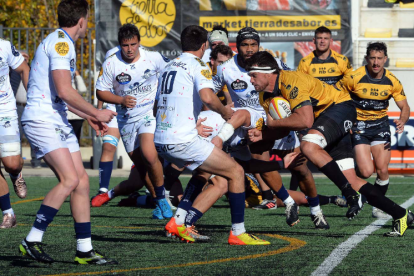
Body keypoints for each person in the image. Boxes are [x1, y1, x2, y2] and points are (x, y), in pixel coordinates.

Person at [245, 51, 414, 237]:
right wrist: (263, 134)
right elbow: (284, 129)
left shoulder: (291, 81)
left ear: (268, 72)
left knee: (309, 146)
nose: (250, 80)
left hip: (339, 108)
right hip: (325, 122)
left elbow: (305, 121)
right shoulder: (264, 96)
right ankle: (401, 214)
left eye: (253, 75)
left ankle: (349, 194)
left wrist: (269, 126)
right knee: (352, 179)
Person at [19, 0, 117, 264]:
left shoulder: (60, 41)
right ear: (82, 20)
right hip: (43, 120)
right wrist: (96, 113)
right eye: (88, 19)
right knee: (69, 180)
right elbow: (64, 90)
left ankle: (84, 249)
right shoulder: (62, 43)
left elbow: (60, 96)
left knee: (82, 182)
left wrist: (88, 116)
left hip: (56, 119)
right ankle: (32, 239)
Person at [155, 25, 269, 245]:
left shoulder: (169, 66)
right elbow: (208, 96)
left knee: (212, 175)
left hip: (161, 139)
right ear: (204, 45)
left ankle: (178, 221)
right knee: (235, 171)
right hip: (182, 140)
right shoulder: (198, 65)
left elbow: (158, 104)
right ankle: (238, 233)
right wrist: (226, 111)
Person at [213, 27, 328, 229]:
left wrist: (294, 116)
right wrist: (221, 109)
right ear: (237, 47)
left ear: (258, 45)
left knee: (300, 168)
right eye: (245, 45)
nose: (249, 49)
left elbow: (289, 82)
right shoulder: (225, 68)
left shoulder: (270, 63)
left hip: (277, 117)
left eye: (253, 45)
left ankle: (316, 210)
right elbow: (209, 92)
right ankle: (288, 202)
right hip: (253, 124)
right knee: (260, 163)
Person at [95, 23, 172, 220]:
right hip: (126, 119)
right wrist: (120, 100)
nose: (129, 49)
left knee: (148, 153)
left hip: (149, 114)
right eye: (125, 45)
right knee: (141, 163)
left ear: (139, 43)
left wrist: (162, 102)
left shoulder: (153, 58)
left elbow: (171, 74)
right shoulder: (112, 63)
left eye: (133, 44)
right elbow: (100, 91)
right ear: (120, 45)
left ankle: (163, 199)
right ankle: (158, 200)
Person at [343, 42, 410, 219]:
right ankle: (351, 186)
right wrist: (345, 121)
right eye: (372, 58)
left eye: (379, 58)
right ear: (367, 59)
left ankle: (378, 206)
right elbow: (338, 98)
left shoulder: (392, 81)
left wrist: (402, 121)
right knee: (366, 172)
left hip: (380, 127)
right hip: (359, 128)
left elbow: (405, 107)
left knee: (382, 170)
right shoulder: (354, 77)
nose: (376, 62)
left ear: (385, 59)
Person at [0, 40, 30, 229]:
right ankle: (8, 214)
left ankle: (16, 173)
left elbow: (24, 69)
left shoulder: (3, 46)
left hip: (5, 111)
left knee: (11, 163)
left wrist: (33, 99)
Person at [93, 46, 121, 198]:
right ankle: (103, 189)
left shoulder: (145, 56)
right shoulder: (111, 54)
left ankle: (152, 191)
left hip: (137, 111)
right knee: (108, 146)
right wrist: (98, 112)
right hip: (114, 109)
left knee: (144, 152)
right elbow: (102, 85)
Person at [67, 70, 88, 141]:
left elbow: (83, 90)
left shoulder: (76, 81)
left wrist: (77, 75)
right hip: (66, 117)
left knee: (75, 140)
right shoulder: (61, 82)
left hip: (77, 117)